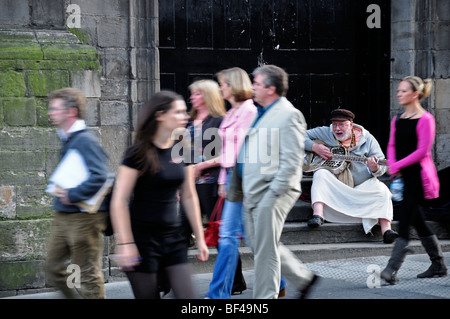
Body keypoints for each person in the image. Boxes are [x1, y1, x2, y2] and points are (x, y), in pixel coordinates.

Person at [228, 65, 318, 299]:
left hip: (272, 192)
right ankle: (303, 279)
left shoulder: (289, 114)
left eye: (256, 83)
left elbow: (291, 160)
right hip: (252, 192)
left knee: (264, 253)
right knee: (262, 247)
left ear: (270, 88)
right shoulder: (261, 113)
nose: (251, 88)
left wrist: (272, 194)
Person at [110, 90, 209, 299]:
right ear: (160, 115)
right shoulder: (137, 153)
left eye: (185, 111)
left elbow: (189, 195)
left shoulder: (184, 149)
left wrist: (200, 237)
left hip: (173, 238)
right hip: (143, 240)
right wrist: (126, 244)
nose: (185, 116)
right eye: (179, 112)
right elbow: (119, 200)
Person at [381, 76, 447, 284]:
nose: (399, 94)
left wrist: (397, 165)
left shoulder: (426, 119)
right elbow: (391, 145)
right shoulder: (397, 120)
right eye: (399, 91)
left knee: (405, 220)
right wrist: (392, 163)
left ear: (415, 94)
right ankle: (438, 264)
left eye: (403, 91)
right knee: (417, 220)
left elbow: (422, 151)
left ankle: (391, 268)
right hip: (403, 176)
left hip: (419, 176)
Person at [45, 87, 109, 299]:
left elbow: (99, 176)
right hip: (63, 215)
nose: (50, 113)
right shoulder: (68, 138)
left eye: (55, 109)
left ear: (71, 112)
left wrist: (72, 195)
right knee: (53, 269)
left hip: (83, 218)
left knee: (87, 276)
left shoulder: (85, 140)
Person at [305, 109, 399, 244]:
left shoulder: (368, 139)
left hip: (361, 186)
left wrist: (375, 168)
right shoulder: (325, 132)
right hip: (335, 187)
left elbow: (382, 164)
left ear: (351, 124)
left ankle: (387, 230)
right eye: (335, 124)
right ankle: (318, 215)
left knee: (382, 189)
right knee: (320, 173)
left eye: (341, 124)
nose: (337, 128)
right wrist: (314, 146)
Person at [202, 67, 257, 298]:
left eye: (223, 84)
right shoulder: (233, 111)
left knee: (236, 237)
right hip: (233, 178)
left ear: (233, 85)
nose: (221, 88)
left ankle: (217, 295)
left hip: (246, 179)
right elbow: (228, 149)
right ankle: (283, 279)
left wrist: (205, 167)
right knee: (236, 237)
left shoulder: (249, 111)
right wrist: (224, 181)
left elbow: (242, 151)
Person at [186, 79, 226, 220]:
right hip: (188, 181)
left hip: (210, 181)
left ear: (209, 96)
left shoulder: (220, 121)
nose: (191, 97)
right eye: (192, 94)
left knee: (214, 222)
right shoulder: (188, 121)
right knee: (183, 225)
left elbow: (228, 154)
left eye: (197, 94)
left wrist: (201, 165)